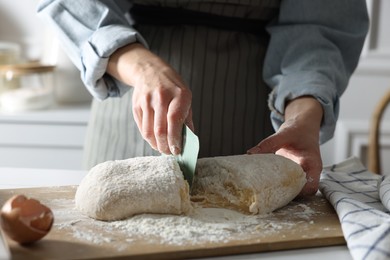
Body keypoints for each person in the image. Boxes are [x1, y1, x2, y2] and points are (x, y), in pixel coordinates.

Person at [37, 0, 369, 196]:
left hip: (258, 125)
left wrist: (303, 117)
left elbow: (321, 23)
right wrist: (139, 64)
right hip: (130, 99)